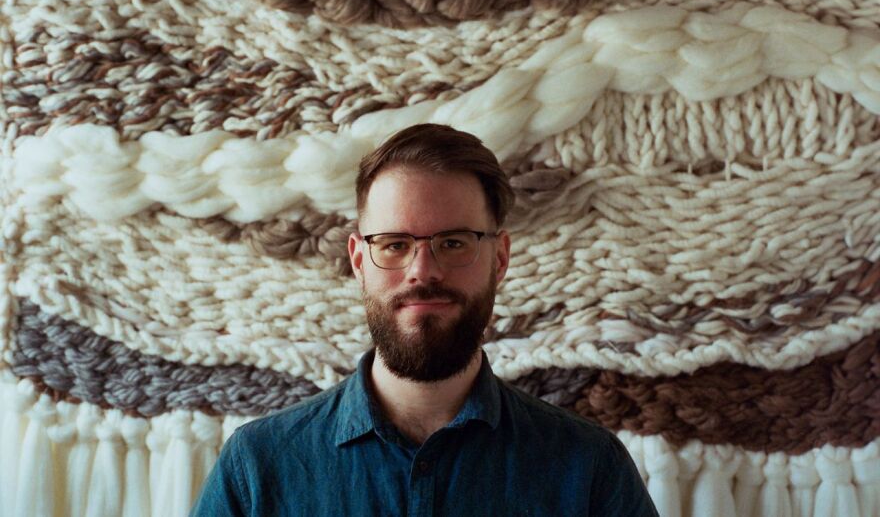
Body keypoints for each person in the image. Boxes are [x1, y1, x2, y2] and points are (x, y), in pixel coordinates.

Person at [191, 123, 658, 516]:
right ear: (358, 260)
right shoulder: (257, 467)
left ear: (499, 258)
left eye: (453, 242)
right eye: (394, 244)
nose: (422, 271)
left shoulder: (590, 469)